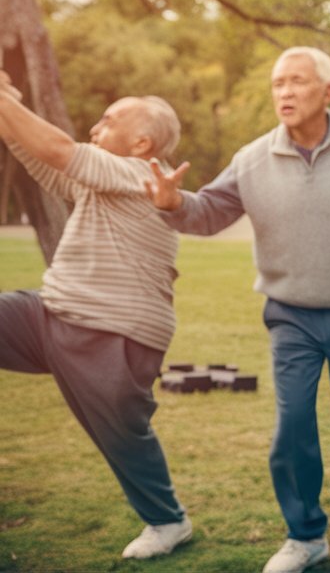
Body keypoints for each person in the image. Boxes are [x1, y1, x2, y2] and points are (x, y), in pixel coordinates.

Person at [145, 47, 330, 573]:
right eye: (277, 84)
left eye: (296, 82)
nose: (284, 92)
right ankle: (305, 535)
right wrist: (174, 204)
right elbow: (209, 211)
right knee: (292, 423)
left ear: (327, 91)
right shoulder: (252, 159)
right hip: (291, 315)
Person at [0, 72, 192, 560]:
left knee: (122, 436)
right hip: (52, 314)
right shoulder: (103, 178)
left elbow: (59, 151)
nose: (94, 128)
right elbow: (36, 153)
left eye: (108, 121)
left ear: (141, 142)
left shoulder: (142, 174)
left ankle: (169, 522)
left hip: (114, 332)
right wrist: (9, 105)